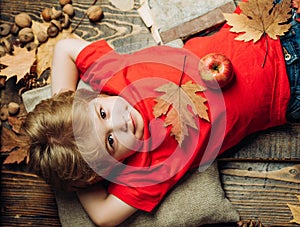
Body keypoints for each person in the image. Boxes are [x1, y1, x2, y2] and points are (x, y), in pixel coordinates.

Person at [24, 1, 299, 226]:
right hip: (289, 87)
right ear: (109, 169)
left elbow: (64, 49)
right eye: (110, 142)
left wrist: (67, 103)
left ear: (93, 97)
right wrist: (86, 174)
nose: (121, 123)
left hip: (264, 17)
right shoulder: (147, 171)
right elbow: (103, 217)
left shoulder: (113, 76)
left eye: (103, 114)